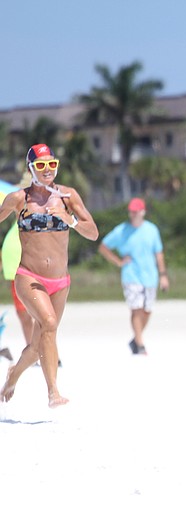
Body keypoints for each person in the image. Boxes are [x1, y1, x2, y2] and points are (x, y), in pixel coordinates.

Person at [0, 144, 98, 408]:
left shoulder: (68, 196)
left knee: (38, 344)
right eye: (41, 165)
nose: (47, 170)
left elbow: (93, 233)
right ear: (31, 168)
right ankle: (53, 391)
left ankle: (13, 374)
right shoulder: (19, 199)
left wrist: (71, 220)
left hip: (60, 281)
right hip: (29, 276)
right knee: (50, 324)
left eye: (51, 164)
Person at [98, 198, 169, 356]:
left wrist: (163, 275)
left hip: (151, 276)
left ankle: (135, 339)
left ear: (143, 212)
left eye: (137, 211)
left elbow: (159, 253)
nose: (134, 214)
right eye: (132, 211)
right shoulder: (121, 230)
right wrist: (118, 262)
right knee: (136, 310)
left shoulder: (152, 230)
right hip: (131, 276)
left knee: (147, 311)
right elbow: (103, 247)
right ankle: (140, 344)